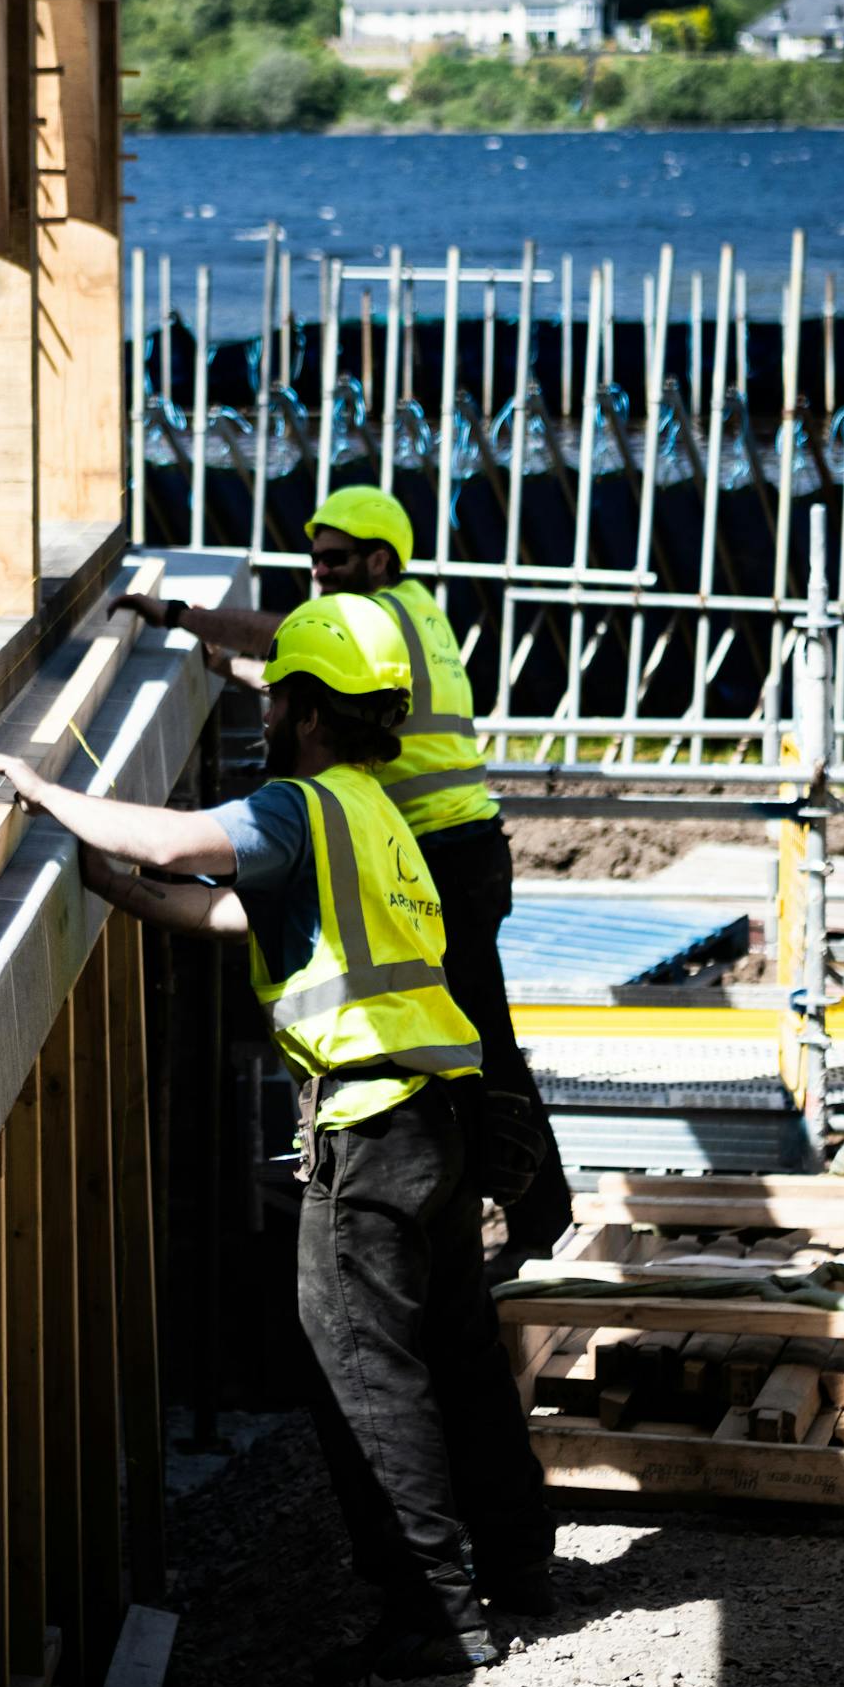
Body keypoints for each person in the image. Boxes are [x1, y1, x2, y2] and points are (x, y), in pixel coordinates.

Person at [0, 597, 553, 1677]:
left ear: (311, 711)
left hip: (369, 1129)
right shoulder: (375, 814)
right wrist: (121, 888)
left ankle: (437, 1610)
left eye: (282, 694)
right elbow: (232, 910)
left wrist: (47, 792)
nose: (270, 710)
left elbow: (183, 837)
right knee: (457, 1355)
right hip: (440, 1121)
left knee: (362, 1373)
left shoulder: (298, 804)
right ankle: (521, 1568)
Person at [113, 483, 574, 1263]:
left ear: (379, 559)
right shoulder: (417, 610)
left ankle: (536, 1225)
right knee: (478, 1036)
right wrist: (256, 681)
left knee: (480, 1043)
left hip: (447, 853)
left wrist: (180, 617)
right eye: (314, 559)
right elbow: (338, 687)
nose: (318, 573)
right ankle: (525, 1218)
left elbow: (282, 629)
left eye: (332, 560)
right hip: (466, 849)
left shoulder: (380, 615)